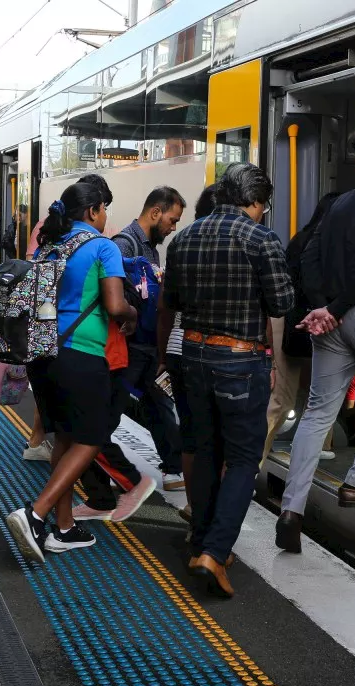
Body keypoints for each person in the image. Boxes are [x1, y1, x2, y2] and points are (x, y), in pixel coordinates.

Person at [163, 163, 293, 597]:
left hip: (195, 355)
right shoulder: (261, 239)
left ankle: (200, 542)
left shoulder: (184, 237)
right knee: (241, 459)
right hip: (241, 361)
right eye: (263, 205)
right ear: (254, 201)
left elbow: (174, 300)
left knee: (203, 451)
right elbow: (281, 302)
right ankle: (215, 552)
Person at [6, 181, 137, 563]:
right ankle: (35, 514)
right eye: (104, 210)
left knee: (63, 438)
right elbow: (114, 305)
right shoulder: (102, 246)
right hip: (81, 354)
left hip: (43, 353)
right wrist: (132, 313)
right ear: (94, 211)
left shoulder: (50, 246)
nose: (106, 217)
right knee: (92, 437)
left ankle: (63, 529)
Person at [281, 136, 355, 554]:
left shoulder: (342, 202)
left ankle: (291, 511)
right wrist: (341, 305)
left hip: (328, 319)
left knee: (315, 415)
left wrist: (321, 307)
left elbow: (308, 255)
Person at [107, 186, 187, 491]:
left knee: (159, 405)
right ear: (155, 213)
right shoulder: (124, 245)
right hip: (129, 346)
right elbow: (113, 292)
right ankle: (106, 465)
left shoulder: (150, 248)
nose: (173, 227)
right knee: (113, 409)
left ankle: (173, 469)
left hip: (148, 345)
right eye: (172, 219)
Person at [157, 183, 219, 522]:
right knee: (218, 436)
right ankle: (213, 510)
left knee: (192, 433)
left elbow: (166, 307)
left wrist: (163, 354)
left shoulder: (183, 243)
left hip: (181, 350)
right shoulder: (243, 241)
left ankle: (195, 506)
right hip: (218, 353)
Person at [264, 191, 341, 464]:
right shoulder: (325, 245)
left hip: (293, 324)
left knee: (288, 399)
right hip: (294, 324)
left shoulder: (301, 240)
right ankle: (251, 462)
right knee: (294, 398)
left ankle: (256, 460)